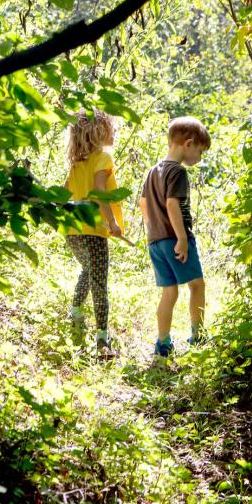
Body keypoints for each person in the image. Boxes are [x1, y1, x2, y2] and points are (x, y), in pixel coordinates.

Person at [139, 116, 211, 360]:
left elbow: (143, 204)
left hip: (156, 241)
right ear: (188, 144)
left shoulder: (152, 171)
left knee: (169, 293)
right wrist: (181, 237)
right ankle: (198, 335)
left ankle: (163, 342)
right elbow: (172, 204)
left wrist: (153, 228)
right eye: (200, 151)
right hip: (174, 238)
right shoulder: (177, 171)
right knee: (197, 285)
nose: (199, 158)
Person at [64, 108, 125, 357]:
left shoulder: (77, 163)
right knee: (100, 282)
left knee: (89, 270)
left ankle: (76, 312)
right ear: (100, 130)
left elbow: (64, 191)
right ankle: (102, 339)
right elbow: (100, 191)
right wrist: (111, 223)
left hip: (72, 230)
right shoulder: (102, 158)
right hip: (94, 229)